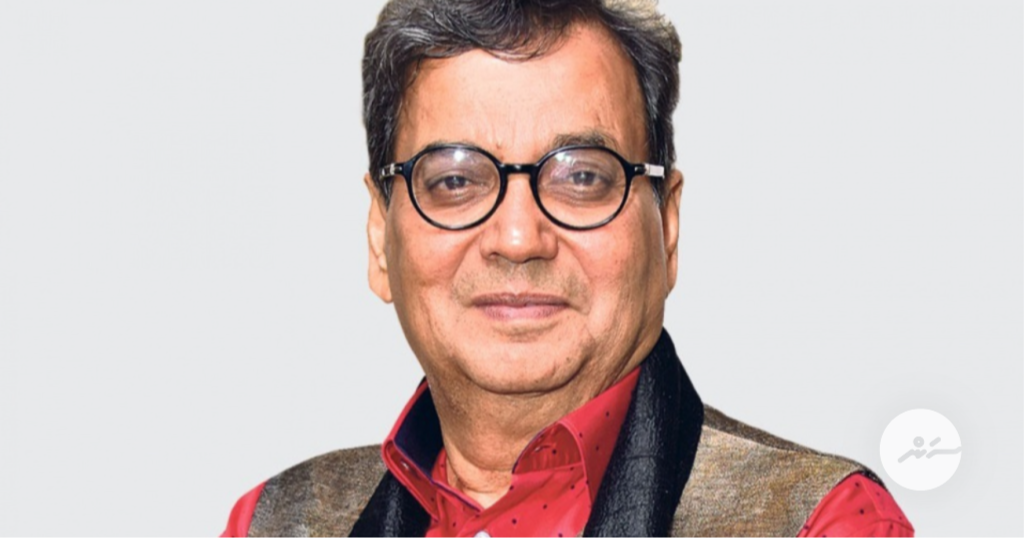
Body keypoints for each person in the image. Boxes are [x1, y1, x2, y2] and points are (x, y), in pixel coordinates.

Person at [221, 1, 915, 536]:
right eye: (455, 180)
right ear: (380, 238)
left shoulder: (820, 522)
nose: (518, 238)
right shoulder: (274, 522)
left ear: (667, 227)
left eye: (582, 176)